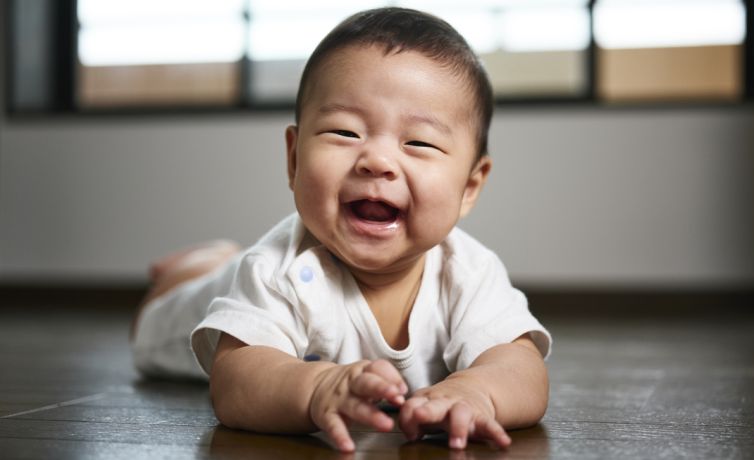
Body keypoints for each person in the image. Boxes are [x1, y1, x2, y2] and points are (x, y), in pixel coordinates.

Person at [132, 7, 551, 453]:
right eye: (345, 132)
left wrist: (477, 391)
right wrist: (316, 387)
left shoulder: (468, 271)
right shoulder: (276, 269)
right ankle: (197, 265)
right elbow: (235, 382)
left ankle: (218, 256)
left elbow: (519, 364)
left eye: (419, 142)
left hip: (243, 270)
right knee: (157, 317)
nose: (377, 160)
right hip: (189, 314)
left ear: (469, 187)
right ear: (294, 159)